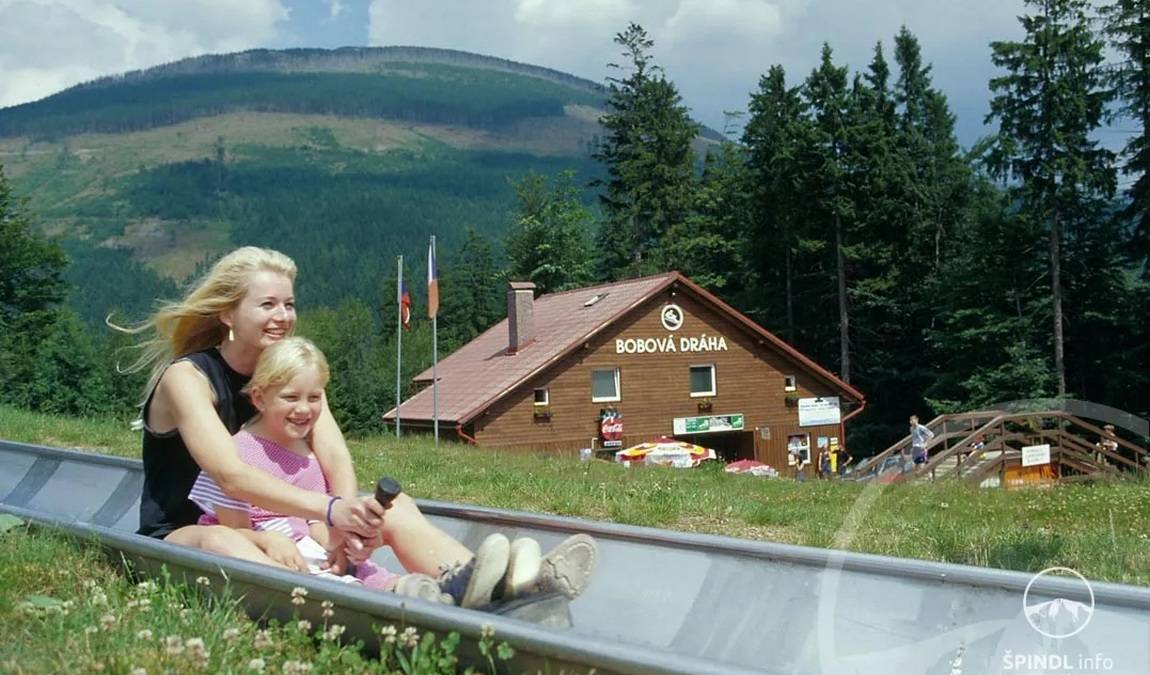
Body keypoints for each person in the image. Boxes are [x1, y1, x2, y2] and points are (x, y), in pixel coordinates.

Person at [117, 246, 595, 608]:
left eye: (289, 304)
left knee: (393, 507)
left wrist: (347, 526)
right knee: (222, 540)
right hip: (193, 532)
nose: (283, 317)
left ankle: (484, 581)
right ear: (228, 313)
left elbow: (335, 457)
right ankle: (334, 603)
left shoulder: (290, 374)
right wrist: (331, 511)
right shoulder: (188, 378)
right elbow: (231, 476)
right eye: (267, 305)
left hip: (292, 527)